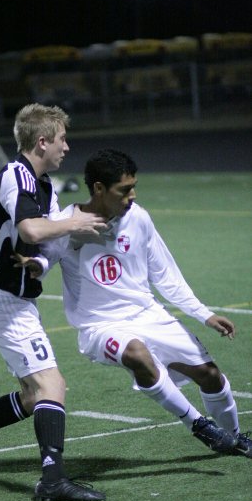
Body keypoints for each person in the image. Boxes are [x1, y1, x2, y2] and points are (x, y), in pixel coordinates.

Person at [0, 104, 108, 501]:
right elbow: (30, 228)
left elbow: (40, 240)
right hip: (2, 303)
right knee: (51, 386)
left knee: (33, 395)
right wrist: (74, 222)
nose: (66, 145)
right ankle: (52, 481)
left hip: (14, 302)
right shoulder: (17, 178)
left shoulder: (43, 184)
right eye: (61, 138)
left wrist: (66, 235)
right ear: (42, 141)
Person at [29, 148, 251, 458]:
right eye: (124, 190)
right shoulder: (67, 222)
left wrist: (205, 315)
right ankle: (198, 424)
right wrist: (36, 265)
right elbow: (46, 257)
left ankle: (234, 438)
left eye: (134, 187)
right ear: (98, 189)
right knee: (137, 353)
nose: (132, 195)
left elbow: (166, 276)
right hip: (100, 327)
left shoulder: (139, 219)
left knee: (211, 376)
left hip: (148, 314)